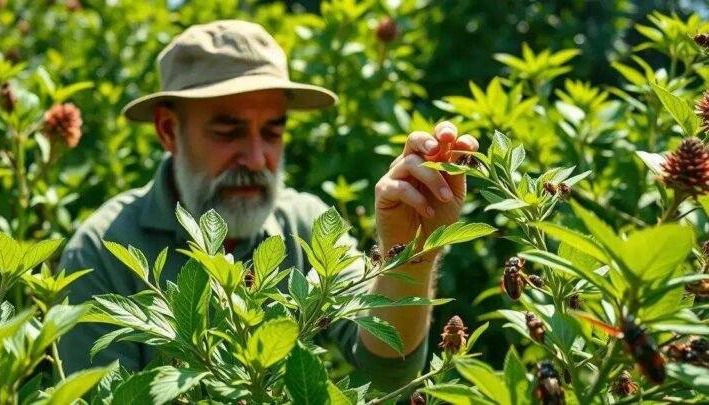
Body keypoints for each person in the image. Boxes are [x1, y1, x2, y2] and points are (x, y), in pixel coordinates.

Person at [58, 20, 478, 391]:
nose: (257, 159)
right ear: (169, 130)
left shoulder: (308, 224)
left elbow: (387, 370)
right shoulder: (103, 251)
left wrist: (412, 254)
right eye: (228, 131)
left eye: (272, 133)